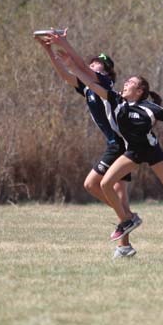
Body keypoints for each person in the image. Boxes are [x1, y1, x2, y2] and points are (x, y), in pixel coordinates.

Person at [52, 37, 163, 252]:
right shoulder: (115, 100)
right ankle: (127, 220)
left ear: (140, 91)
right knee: (105, 184)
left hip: (152, 151)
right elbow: (90, 84)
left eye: (131, 84)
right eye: (126, 82)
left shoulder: (148, 107)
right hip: (133, 153)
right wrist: (72, 67)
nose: (125, 84)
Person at [34, 29, 141, 258]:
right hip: (118, 142)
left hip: (119, 143)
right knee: (119, 195)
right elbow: (66, 74)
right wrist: (48, 50)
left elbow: (79, 66)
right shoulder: (87, 86)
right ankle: (125, 245)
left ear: (107, 72)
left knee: (92, 185)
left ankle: (127, 219)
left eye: (98, 65)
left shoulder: (105, 83)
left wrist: (64, 43)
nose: (94, 66)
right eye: (92, 64)